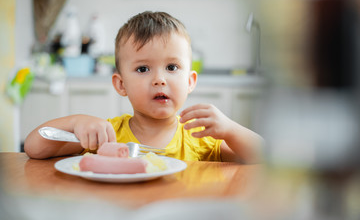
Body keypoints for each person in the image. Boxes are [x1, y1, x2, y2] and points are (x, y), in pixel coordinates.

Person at [25, 11, 262, 163]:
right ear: (121, 84)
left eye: (171, 67)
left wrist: (230, 129)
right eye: (142, 69)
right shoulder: (107, 136)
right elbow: (34, 148)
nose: (160, 79)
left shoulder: (199, 138)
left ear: (190, 82)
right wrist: (76, 122)